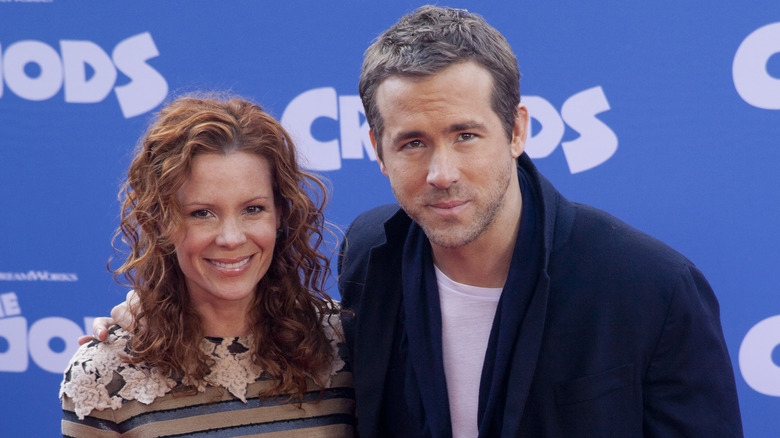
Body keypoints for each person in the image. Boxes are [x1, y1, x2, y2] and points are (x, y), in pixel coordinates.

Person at [91, 6, 744, 437]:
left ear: (516, 130)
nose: (441, 172)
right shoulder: (372, 257)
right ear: (375, 149)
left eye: (465, 135)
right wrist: (147, 315)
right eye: (413, 143)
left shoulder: (651, 290)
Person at [60, 95, 355, 437]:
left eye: (253, 209)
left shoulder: (344, 347)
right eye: (202, 213)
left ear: (281, 215)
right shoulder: (106, 374)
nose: (230, 238)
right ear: (160, 223)